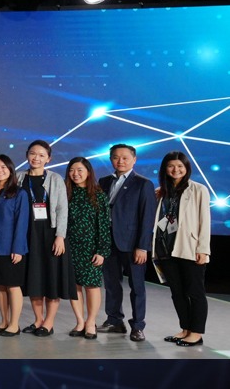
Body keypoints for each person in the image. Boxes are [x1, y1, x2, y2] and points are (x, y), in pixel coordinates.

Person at [97, 143, 157, 342]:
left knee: (137, 287)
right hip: (108, 242)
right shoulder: (104, 181)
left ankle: (138, 326)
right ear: (111, 159)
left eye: (125, 157)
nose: (120, 161)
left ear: (134, 159)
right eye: (115, 157)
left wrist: (143, 246)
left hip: (132, 245)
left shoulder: (143, 184)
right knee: (111, 284)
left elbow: (147, 218)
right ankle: (114, 320)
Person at [153, 151, 211, 347]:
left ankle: (196, 333)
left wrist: (203, 249)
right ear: (165, 169)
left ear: (187, 168)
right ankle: (185, 329)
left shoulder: (198, 189)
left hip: (189, 248)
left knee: (195, 292)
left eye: (180, 166)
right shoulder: (161, 192)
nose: (175, 170)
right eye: (171, 166)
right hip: (165, 249)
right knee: (177, 292)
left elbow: (204, 221)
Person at [18, 140, 73, 337]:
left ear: (48, 159)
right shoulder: (18, 177)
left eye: (41, 155)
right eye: (33, 153)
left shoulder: (55, 179)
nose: (36, 158)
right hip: (27, 234)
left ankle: (49, 323)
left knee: (51, 278)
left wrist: (60, 236)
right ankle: (38, 320)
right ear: (27, 155)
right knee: (34, 278)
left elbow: (62, 209)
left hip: (50, 234)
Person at [65, 156, 109, 340]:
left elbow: (104, 225)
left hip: (91, 248)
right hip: (69, 247)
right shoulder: (65, 193)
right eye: (72, 170)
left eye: (80, 170)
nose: (75, 174)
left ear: (88, 172)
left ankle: (91, 322)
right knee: (74, 285)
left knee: (92, 285)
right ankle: (80, 321)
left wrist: (102, 251)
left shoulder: (98, 195)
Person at [0, 155, 28, 337]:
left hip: (10, 247)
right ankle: (4, 321)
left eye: (3, 167)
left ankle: (14, 324)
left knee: (12, 285)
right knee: (0, 284)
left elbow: (22, 223)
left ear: (10, 170)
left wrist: (17, 248)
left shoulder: (19, 193)